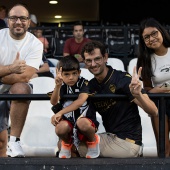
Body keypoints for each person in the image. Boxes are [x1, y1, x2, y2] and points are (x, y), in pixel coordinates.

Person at [77, 40, 158, 158]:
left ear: (105, 57)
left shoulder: (122, 79)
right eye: (89, 60)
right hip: (111, 138)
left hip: (129, 142)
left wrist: (138, 94)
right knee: (69, 143)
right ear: (84, 62)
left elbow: (154, 111)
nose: (93, 64)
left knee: (74, 148)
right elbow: (89, 121)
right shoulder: (91, 86)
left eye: (97, 59)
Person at [0, 3, 43, 157]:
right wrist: (12, 68)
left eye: (22, 18)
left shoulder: (36, 44)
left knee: (21, 88)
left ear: (28, 22)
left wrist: (1, 73)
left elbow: (25, 76)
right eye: (14, 18)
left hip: (16, 85)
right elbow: (18, 73)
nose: (18, 22)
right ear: (7, 21)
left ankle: (14, 141)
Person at [50, 55, 100, 159]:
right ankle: (67, 144)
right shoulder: (62, 86)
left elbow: (80, 101)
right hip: (69, 123)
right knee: (60, 128)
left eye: (74, 73)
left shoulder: (84, 83)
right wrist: (58, 86)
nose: (71, 77)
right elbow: (54, 102)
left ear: (79, 72)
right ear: (60, 74)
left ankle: (93, 141)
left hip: (85, 121)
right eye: (66, 74)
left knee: (82, 123)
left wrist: (60, 113)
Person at [136, 17, 170, 157]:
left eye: (154, 33)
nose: (152, 38)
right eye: (146, 37)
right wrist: (158, 90)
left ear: (161, 31)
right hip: (160, 104)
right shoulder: (144, 59)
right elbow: (148, 89)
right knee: (164, 148)